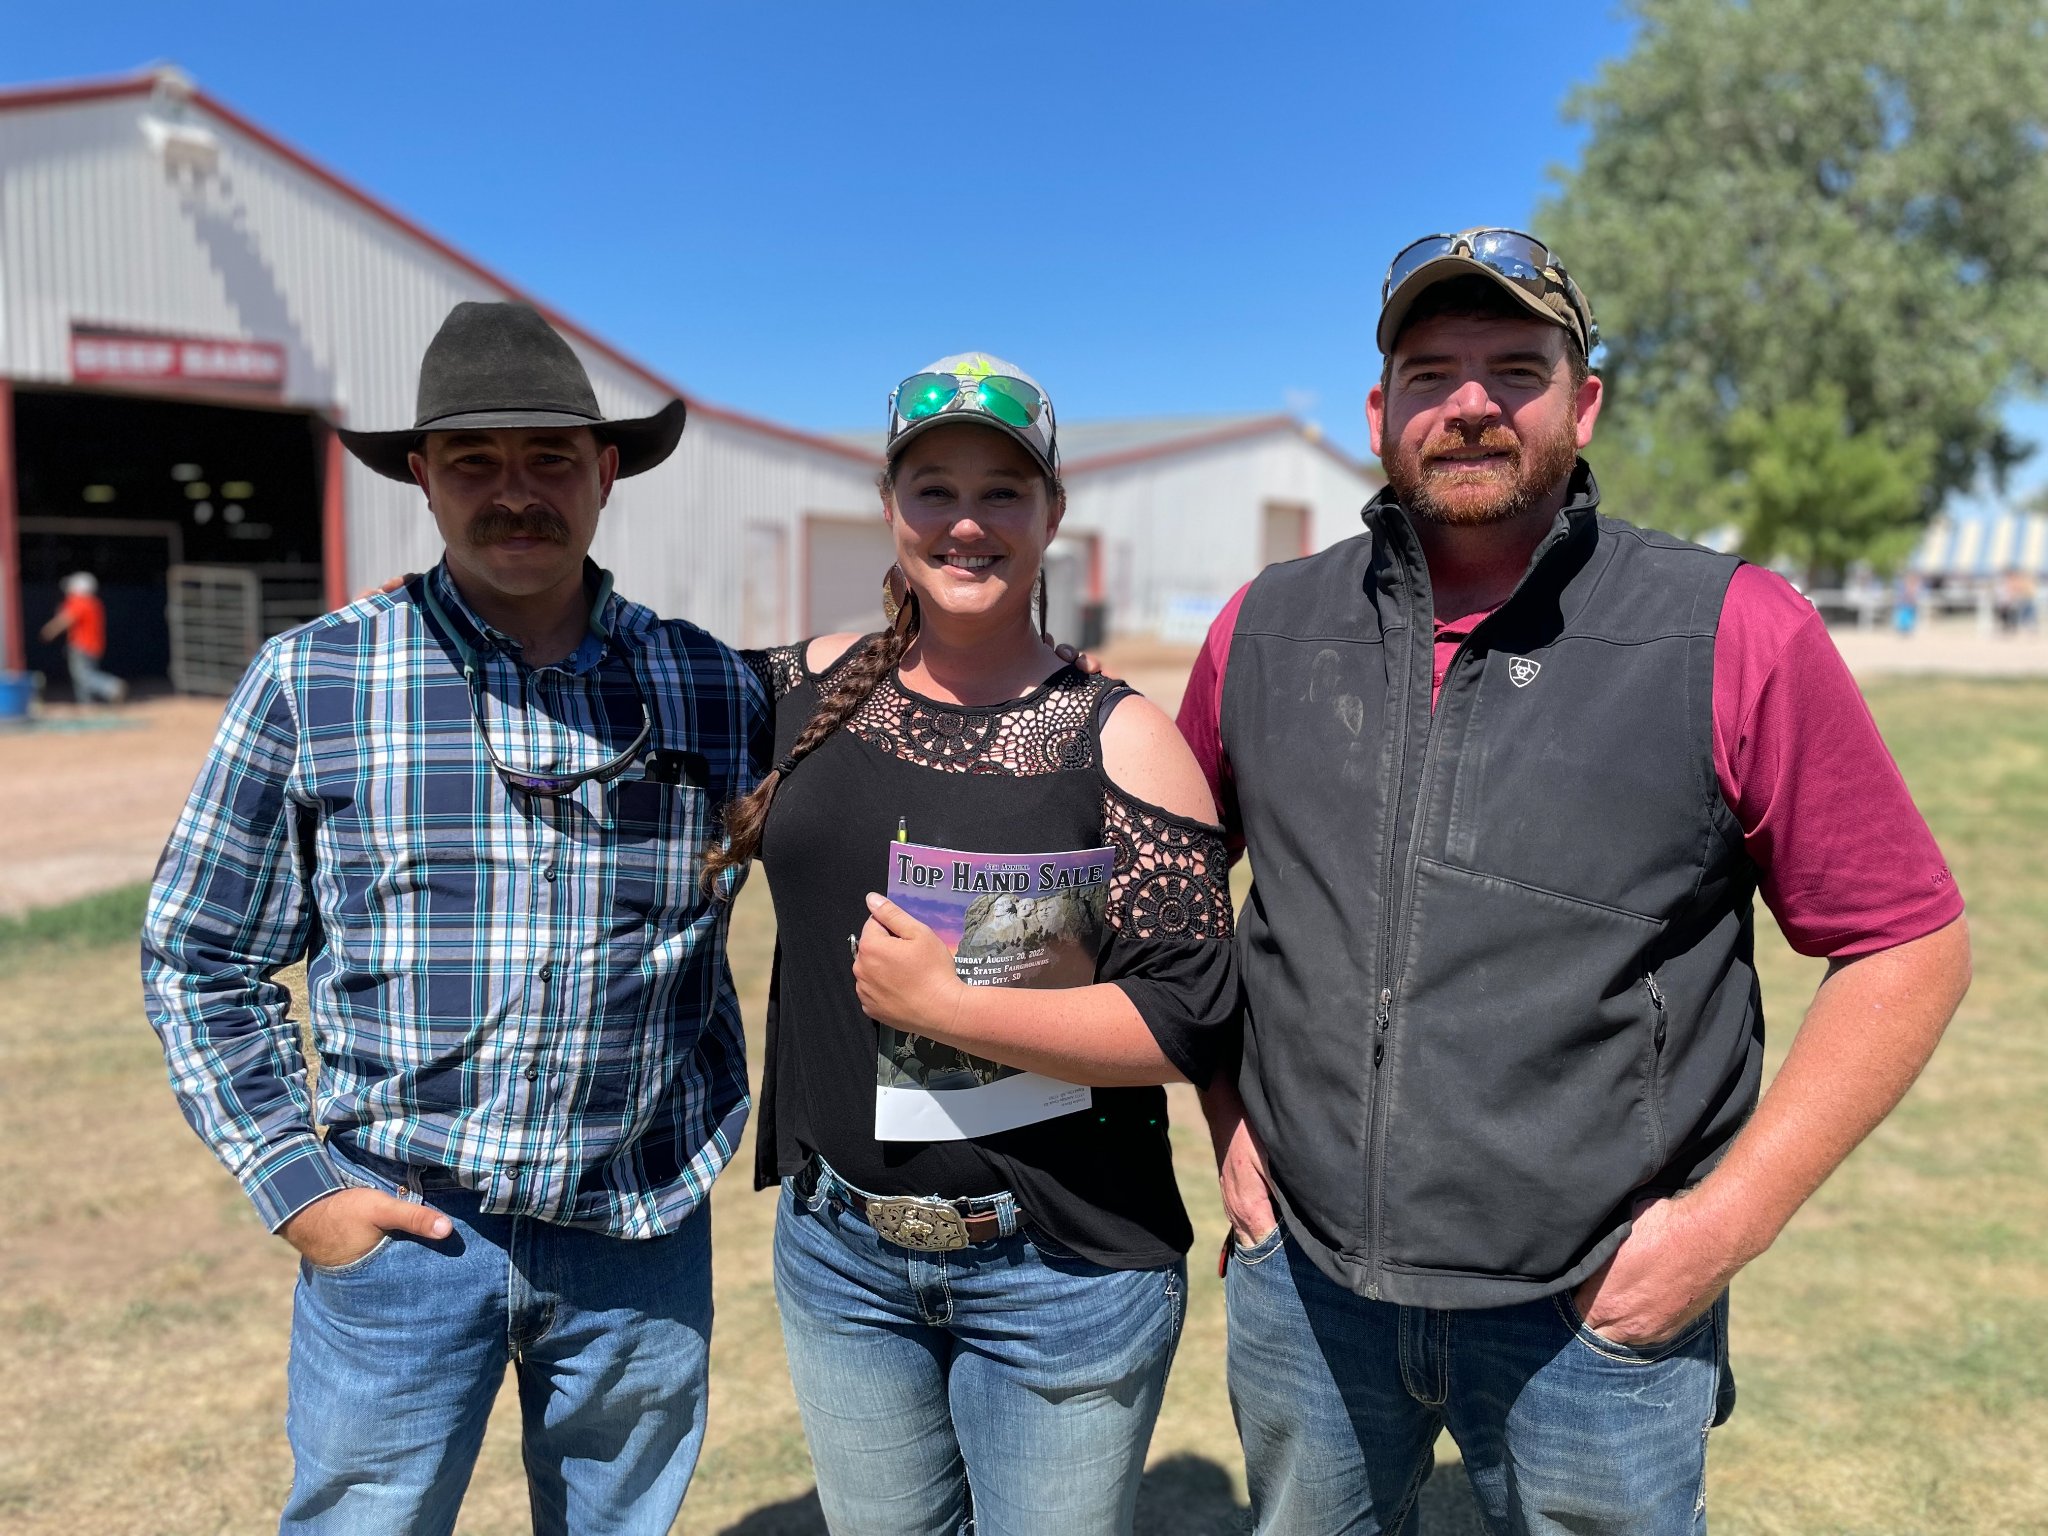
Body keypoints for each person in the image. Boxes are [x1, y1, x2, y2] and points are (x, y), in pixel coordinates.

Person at [1177, 230, 1973, 1534]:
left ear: (1583, 400)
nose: (1473, 403)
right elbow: (1171, 902)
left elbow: (1906, 944)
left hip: (1598, 1315)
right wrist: (1226, 1123)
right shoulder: (1264, 628)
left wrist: (1721, 1232)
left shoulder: (1730, 628)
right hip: (1306, 1285)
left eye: (1516, 368)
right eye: (1432, 373)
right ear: (1381, 414)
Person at [142, 302, 761, 1536]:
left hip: (634, 1230)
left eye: (548, 460)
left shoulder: (711, 686)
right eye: (474, 463)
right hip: (404, 1234)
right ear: (420, 479)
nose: (513, 493)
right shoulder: (316, 678)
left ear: (608, 472)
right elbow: (201, 956)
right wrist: (299, 1188)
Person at [703, 353, 1237, 1536]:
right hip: (839, 1262)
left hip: (1058, 1277)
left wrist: (951, 1008)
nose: (966, 521)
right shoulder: (799, 690)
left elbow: (1191, 1019)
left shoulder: (1119, 739)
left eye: (1002, 491)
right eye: (931, 487)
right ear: (888, 509)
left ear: (1051, 514)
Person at [39, 570, 125, 703]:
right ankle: (86, 704)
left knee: (83, 676)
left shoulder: (80, 602)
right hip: (95, 645)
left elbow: (65, 619)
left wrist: (49, 630)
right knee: (82, 677)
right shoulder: (94, 602)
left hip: (82, 645)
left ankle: (111, 686)